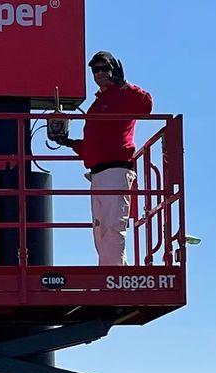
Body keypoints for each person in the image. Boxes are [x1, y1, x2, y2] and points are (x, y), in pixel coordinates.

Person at [46, 50, 153, 267]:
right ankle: (111, 271)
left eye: (105, 68)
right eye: (96, 69)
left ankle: (113, 274)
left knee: (113, 226)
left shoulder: (124, 95)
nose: (100, 73)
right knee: (100, 228)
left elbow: (147, 106)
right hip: (98, 172)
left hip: (116, 170)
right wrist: (68, 142)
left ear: (115, 69)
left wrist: (125, 84)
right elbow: (93, 147)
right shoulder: (97, 105)